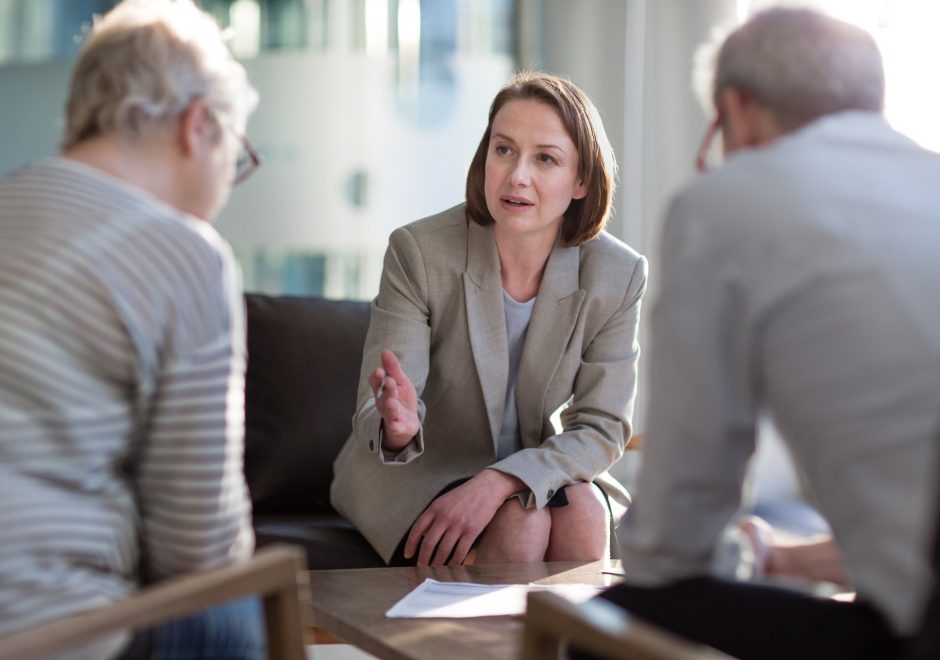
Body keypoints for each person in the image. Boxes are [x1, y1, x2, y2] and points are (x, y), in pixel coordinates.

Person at [594, 7, 940, 659]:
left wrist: (720, 555)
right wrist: (782, 561)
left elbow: (674, 537)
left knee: (618, 617)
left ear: (736, 110)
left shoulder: (726, 202)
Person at [0, 1, 264, 658]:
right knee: (234, 606)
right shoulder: (186, 253)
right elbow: (200, 552)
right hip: (44, 629)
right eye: (237, 154)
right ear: (198, 125)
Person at [331, 72, 646, 567]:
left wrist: (501, 480)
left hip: (531, 461)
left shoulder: (619, 273)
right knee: (523, 524)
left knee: (584, 511)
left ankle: (569, 647)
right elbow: (379, 411)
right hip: (424, 468)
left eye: (545, 158)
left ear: (582, 180)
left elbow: (603, 427)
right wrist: (399, 425)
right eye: (503, 150)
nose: (517, 175)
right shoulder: (419, 251)